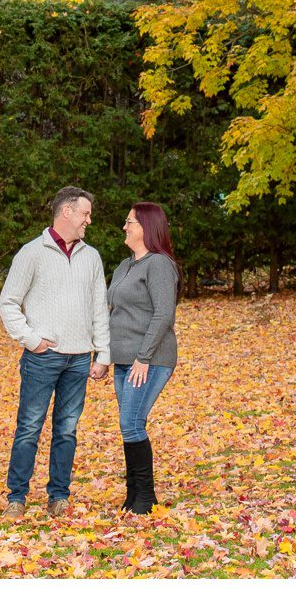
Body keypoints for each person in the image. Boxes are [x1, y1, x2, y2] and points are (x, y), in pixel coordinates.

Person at [0, 185, 111, 517]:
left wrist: (102, 354)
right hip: (42, 359)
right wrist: (31, 340)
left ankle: (58, 496)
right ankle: (16, 498)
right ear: (66, 212)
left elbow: (99, 309)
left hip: (79, 360)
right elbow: (8, 303)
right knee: (30, 426)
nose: (88, 220)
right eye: (85, 213)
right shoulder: (32, 253)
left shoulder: (91, 256)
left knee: (67, 429)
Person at [107, 201, 178, 514]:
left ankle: (145, 497)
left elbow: (164, 314)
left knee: (132, 423)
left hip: (149, 359)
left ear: (147, 228)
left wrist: (143, 358)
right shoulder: (125, 266)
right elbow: (114, 312)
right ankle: (133, 494)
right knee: (129, 425)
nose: (125, 227)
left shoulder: (159, 265)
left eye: (130, 222)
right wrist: (103, 357)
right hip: (124, 360)